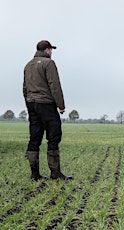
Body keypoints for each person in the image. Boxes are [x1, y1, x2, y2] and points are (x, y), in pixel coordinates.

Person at [23, 40, 72, 180]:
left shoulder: (28, 65)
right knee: (54, 134)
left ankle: (34, 174)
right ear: (46, 50)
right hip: (46, 104)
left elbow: (25, 87)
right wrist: (61, 105)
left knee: (34, 137)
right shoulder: (49, 63)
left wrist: (29, 103)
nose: (51, 52)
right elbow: (54, 85)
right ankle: (55, 173)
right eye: (51, 50)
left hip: (31, 103)